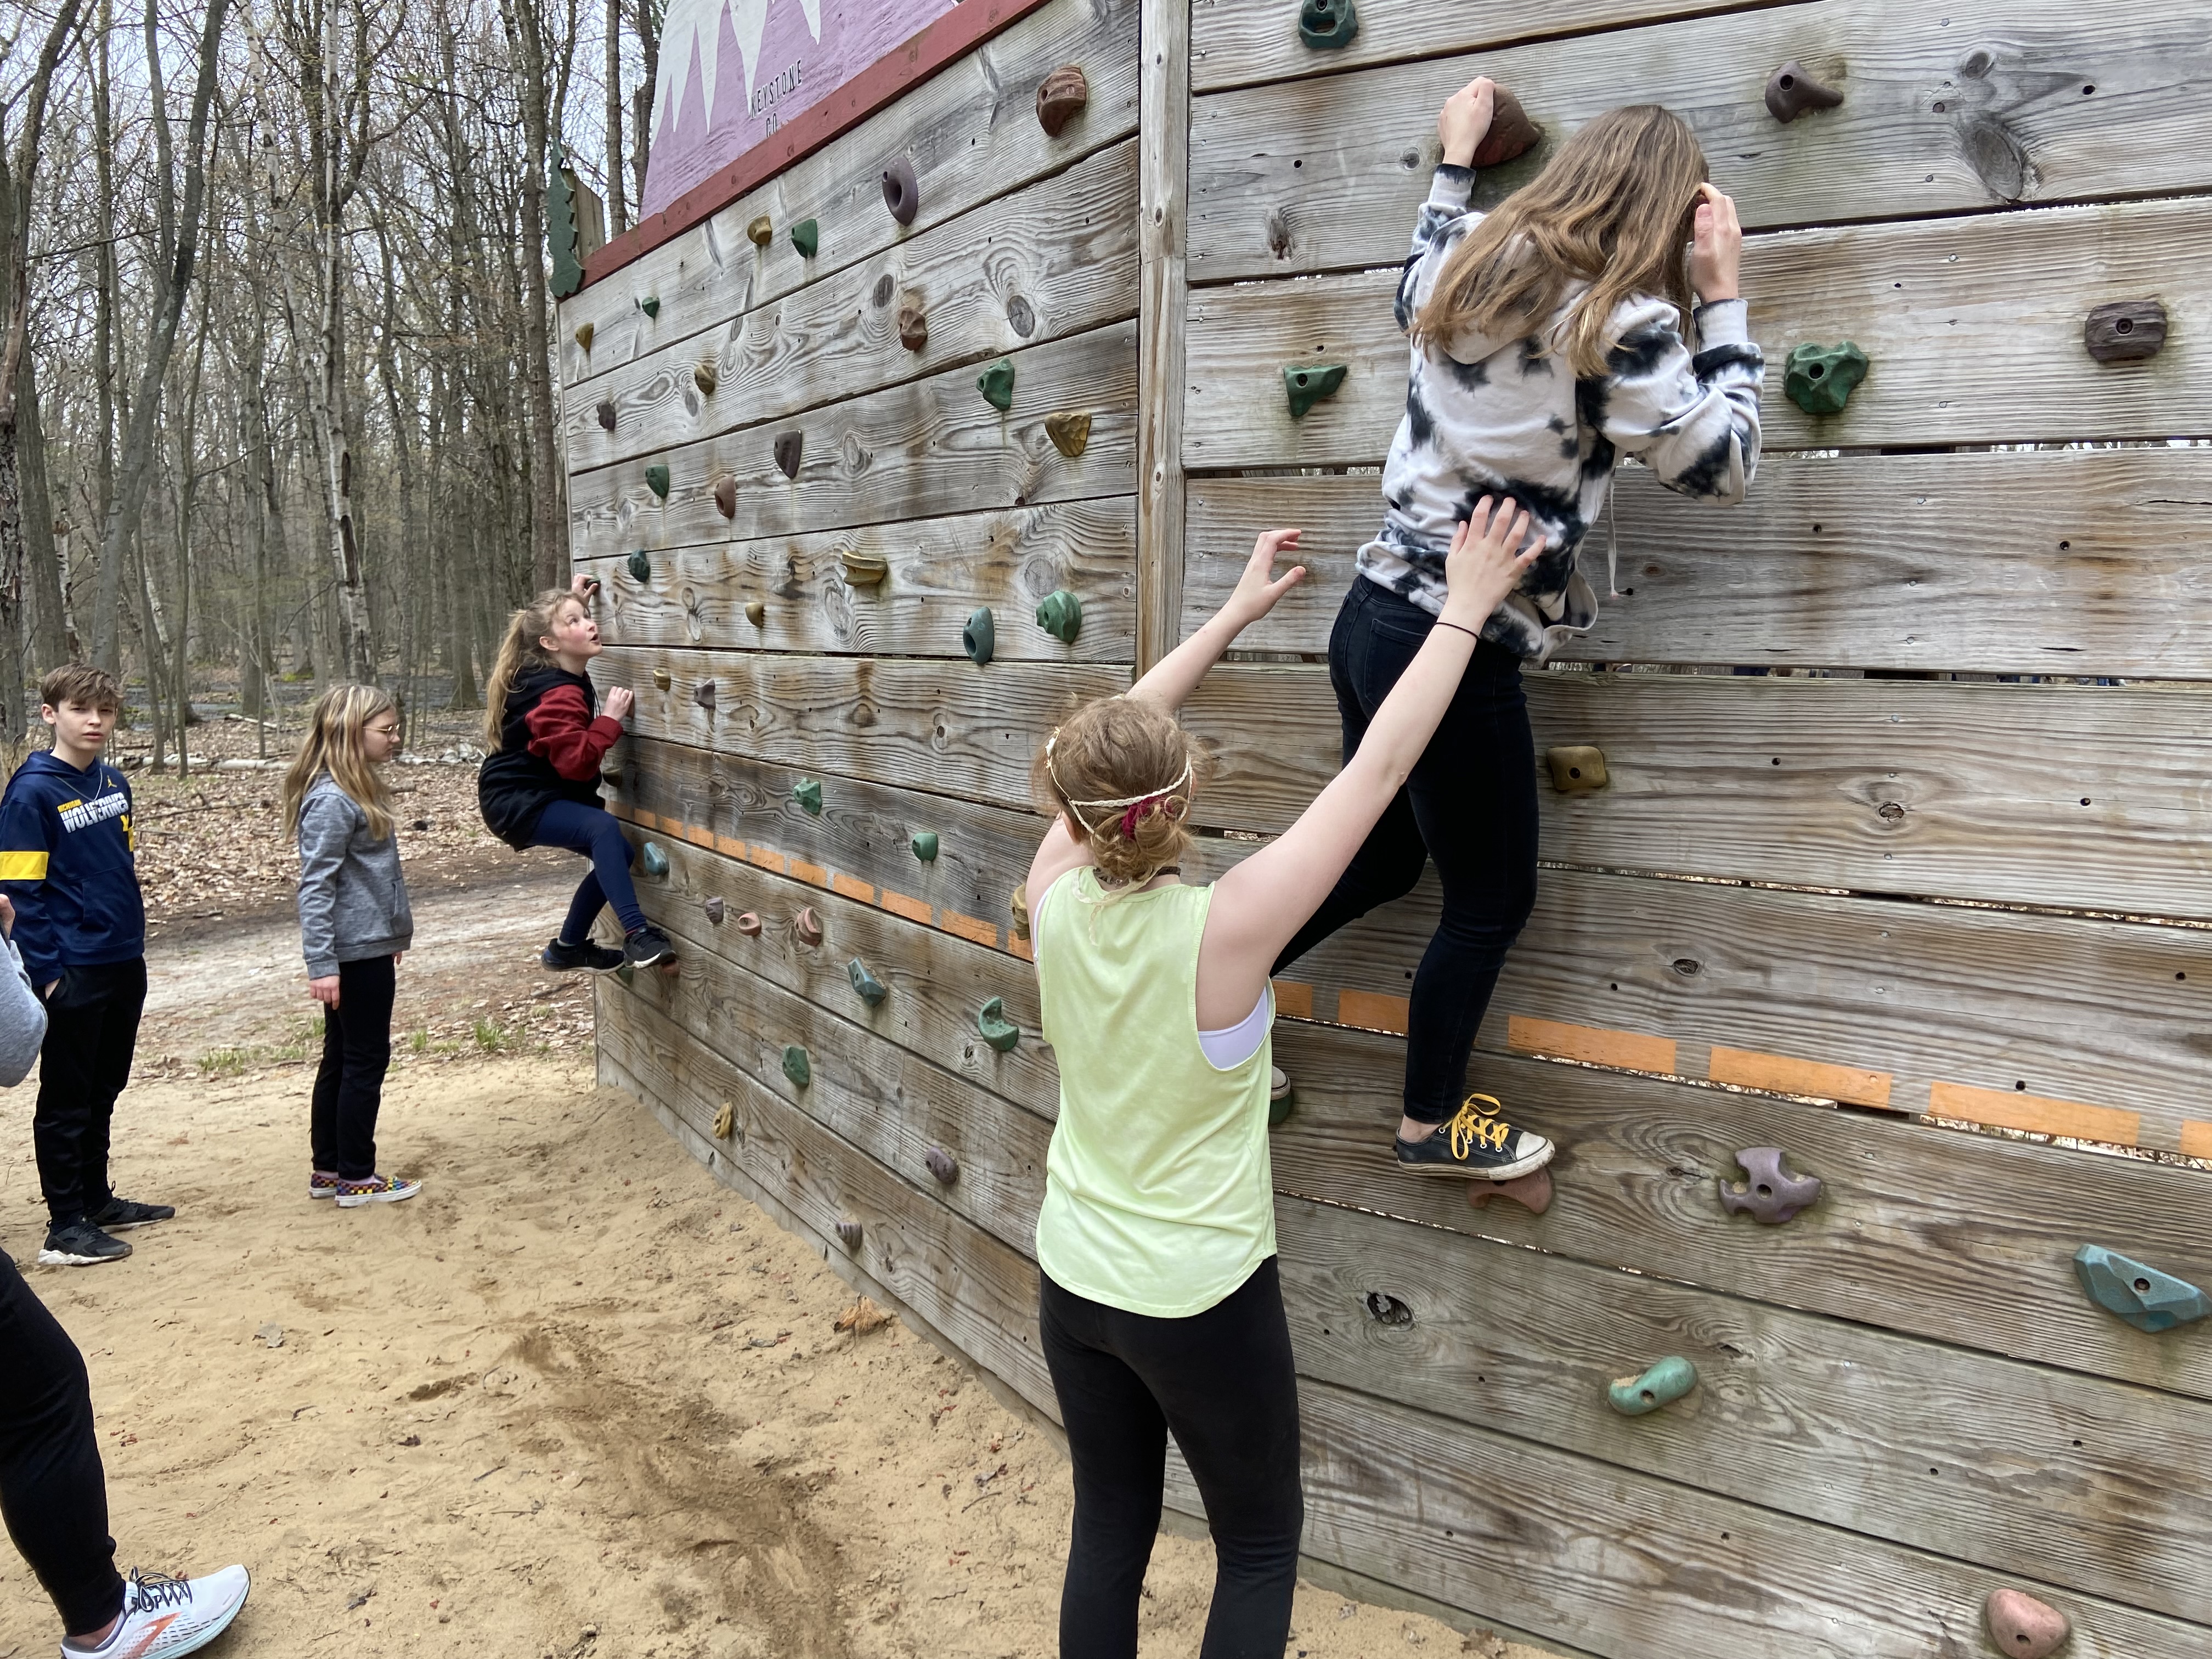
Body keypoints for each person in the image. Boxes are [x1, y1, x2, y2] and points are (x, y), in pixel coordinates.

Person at [1023, 504, 1541, 1659]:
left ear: (1072, 812)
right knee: (1257, 1547)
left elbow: (1108, 757)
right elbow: (1385, 765)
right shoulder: (1228, 928)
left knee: (1109, 1523)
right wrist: (1462, 606)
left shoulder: (1051, 891)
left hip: (1074, 1278)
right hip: (1197, 1297)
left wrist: (1231, 615)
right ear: (1182, 803)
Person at [1271, 82, 1765, 1178]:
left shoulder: (1471, 264)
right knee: (1492, 899)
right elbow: (1722, 466)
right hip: (1454, 642)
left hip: (1370, 617)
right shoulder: (1619, 324)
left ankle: (1205, 992)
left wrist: (1455, 163)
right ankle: (1429, 1124)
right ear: (1667, 216)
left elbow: (1412, 279)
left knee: (1388, 854)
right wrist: (1721, 300)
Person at [0, 889, 252, 1657]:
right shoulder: (40, 795)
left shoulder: (106, 792)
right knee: (40, 1392)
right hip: (68, 976)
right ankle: (105, 1622)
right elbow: (13, 1045)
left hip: (111, 962)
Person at [0, 665, 169, 1267]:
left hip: (123, 957)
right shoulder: (31, 792)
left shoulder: (114, 783)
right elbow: (20, 892)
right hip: (72, 967)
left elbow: (115, 866)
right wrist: (47, 973)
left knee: (106, 1086)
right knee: (68, 1096)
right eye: (81, 710)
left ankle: (97, 1201)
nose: (95, 722)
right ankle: (64, 1226)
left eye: (105, 712)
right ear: (51, 714)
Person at [477, 575, 673, 972]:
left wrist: (572, 603)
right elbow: (577, 763)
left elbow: (546, 633)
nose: (589, 624)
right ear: (550, 644)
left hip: (532, 792)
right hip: (516, 800)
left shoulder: (555, 672)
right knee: (601, 829)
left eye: (586, 617)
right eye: (575, 622)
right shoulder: (558, 694)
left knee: (619, 852)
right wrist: (610, 720)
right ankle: (637, 934)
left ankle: (567, 948)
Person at [282, 685, 421, 1209]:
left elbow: (369, 878)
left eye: (394, 727)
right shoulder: (332, 800)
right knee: (364, 1060)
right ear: (348, 733)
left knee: (342, 1057)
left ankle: (330, 1169)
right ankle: (357, 1176)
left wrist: (390, 934)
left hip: (368, 946)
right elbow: (316, 886)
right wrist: (322, 964)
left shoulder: (356, 789)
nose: (395, 737)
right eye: (385, 730)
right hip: (351, 955)